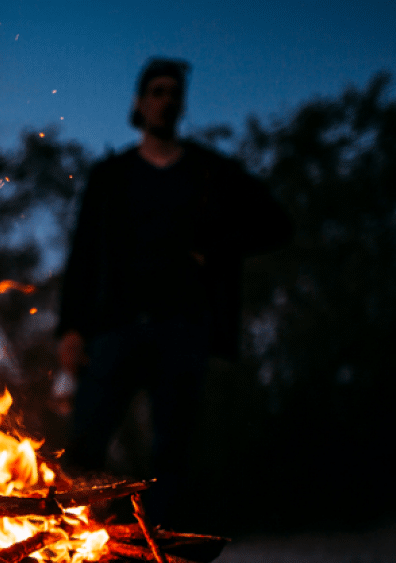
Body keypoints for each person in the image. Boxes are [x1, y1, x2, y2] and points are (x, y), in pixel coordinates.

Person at [56, 58, 292, 525]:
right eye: (157, 92)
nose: (165, 100)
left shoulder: (210, 170)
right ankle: (60, 543)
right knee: (85, 445)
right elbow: (82, 254)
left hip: (182, 330)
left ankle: (159, 559)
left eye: (173, 93)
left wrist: (220, 249)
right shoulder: (111, 175)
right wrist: (70, 329)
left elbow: (276, 224)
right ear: (139, 103)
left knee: (172, 454)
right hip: (114, 328)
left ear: (181, 105)